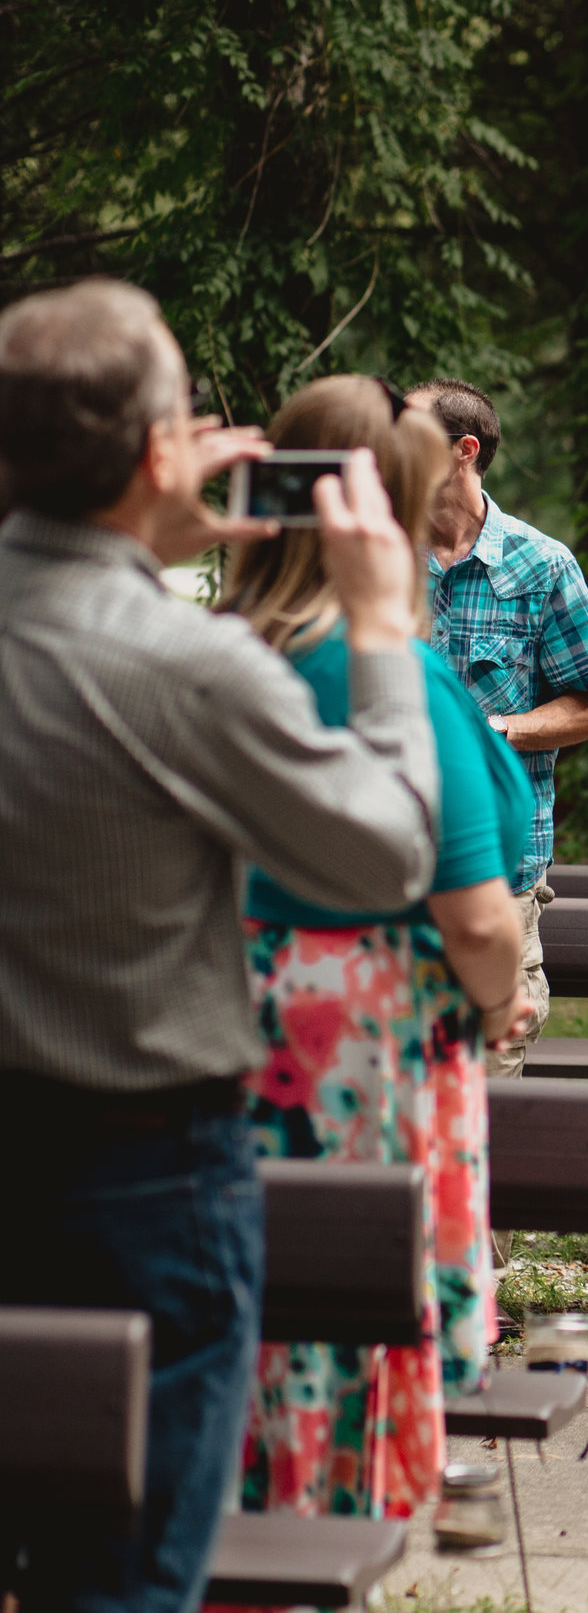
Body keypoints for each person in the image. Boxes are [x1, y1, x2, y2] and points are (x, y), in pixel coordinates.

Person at [0, 280, 439, 1612]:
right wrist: (377, 619)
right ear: (153, 452)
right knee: (125, 1570)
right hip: (143, 1176)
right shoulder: (180, 661)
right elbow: (385, 850)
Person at [216, 376, 534, 1519]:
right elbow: (475, 912)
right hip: (372, 1047)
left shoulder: (226, 649)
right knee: (349, 1328)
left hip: (241, 1040)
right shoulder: (379, 669)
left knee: (274, 1332)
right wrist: (496, 1000)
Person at [407, 378, 588, 1078]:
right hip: (388, 876)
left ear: (463, 452)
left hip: (500, 881)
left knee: (485, 1099)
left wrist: (495, 734)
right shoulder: (382, 554)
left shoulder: (541, 564)